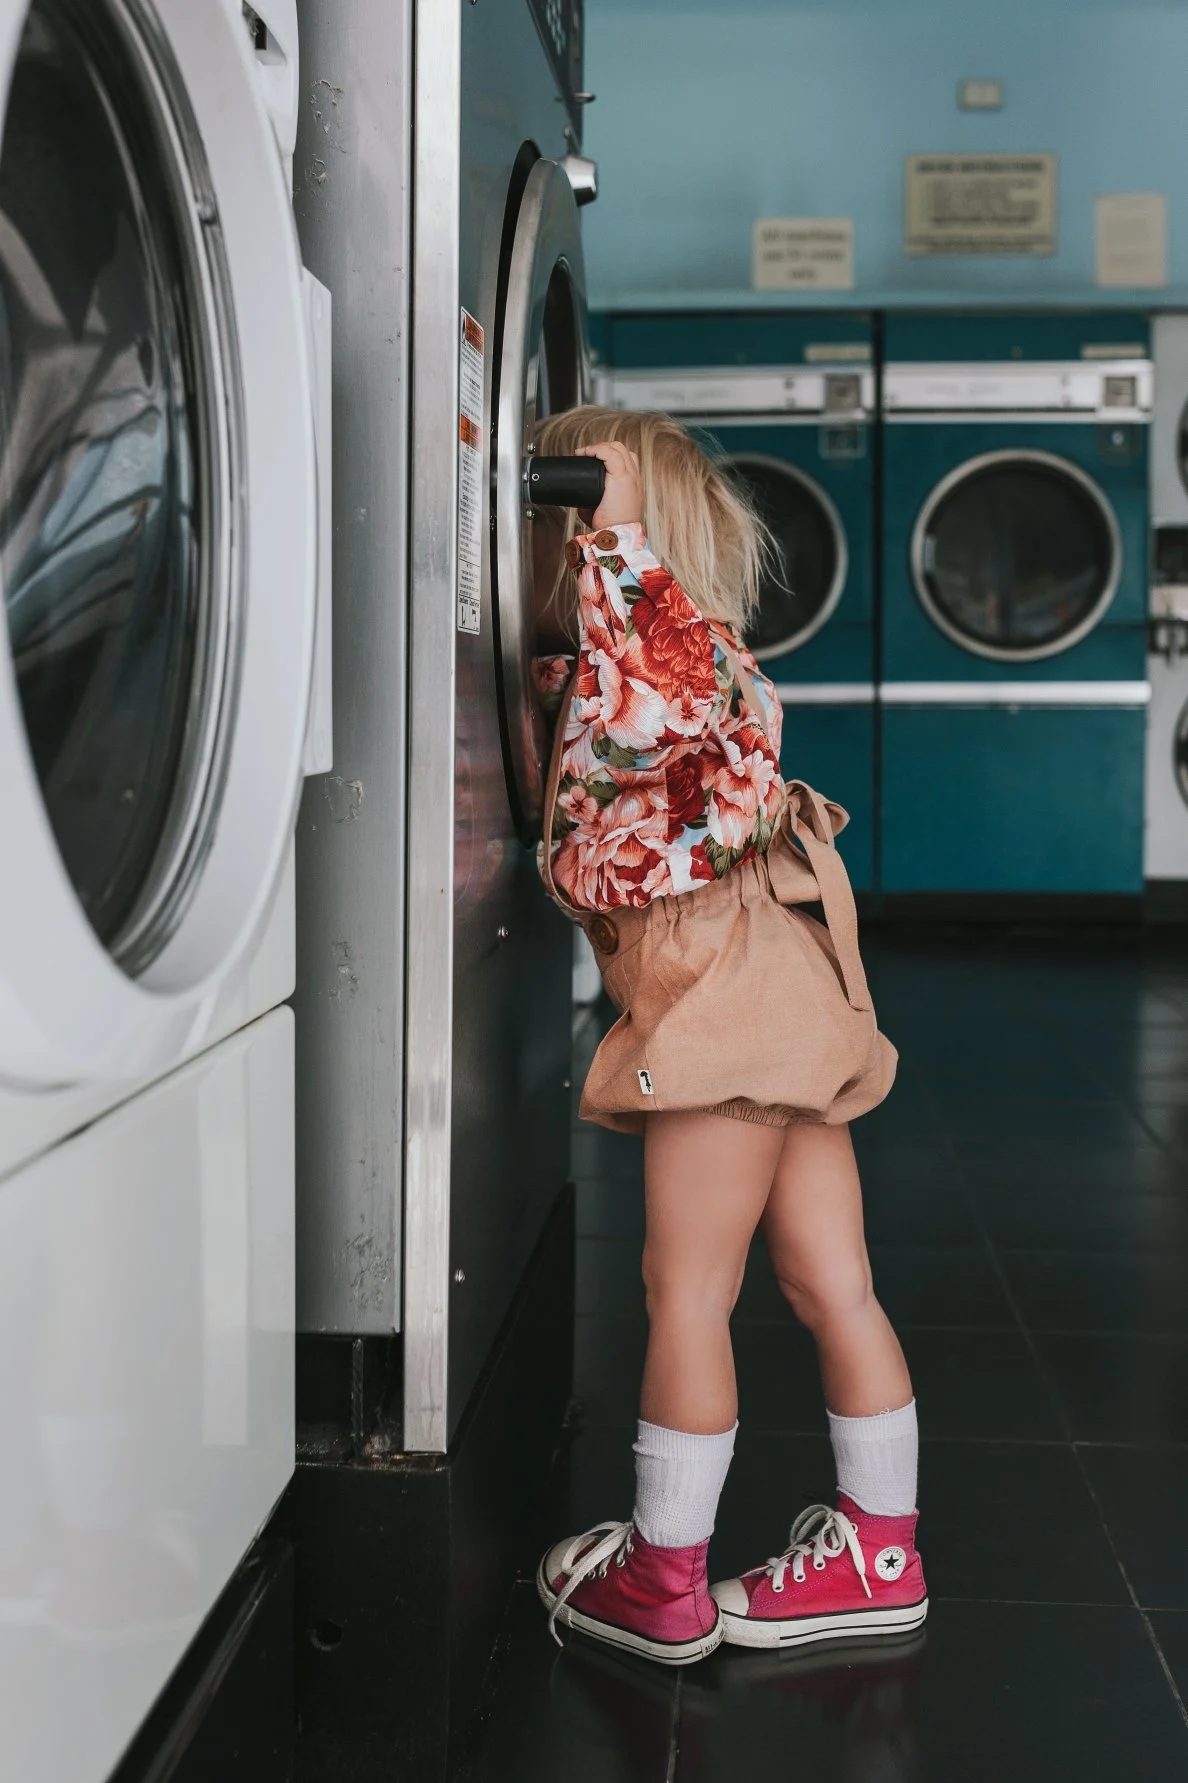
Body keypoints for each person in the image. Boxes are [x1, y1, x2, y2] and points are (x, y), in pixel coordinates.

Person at [531, 407, 927, 1664]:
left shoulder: (661, 653)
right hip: (788, 987)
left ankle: (664, 1579)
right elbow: (626, 718)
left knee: (687, 1291)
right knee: (835, 1285)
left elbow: (642, 705)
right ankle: (879, 1551)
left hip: (725, 996)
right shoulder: (705, 660)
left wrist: (612, 524)